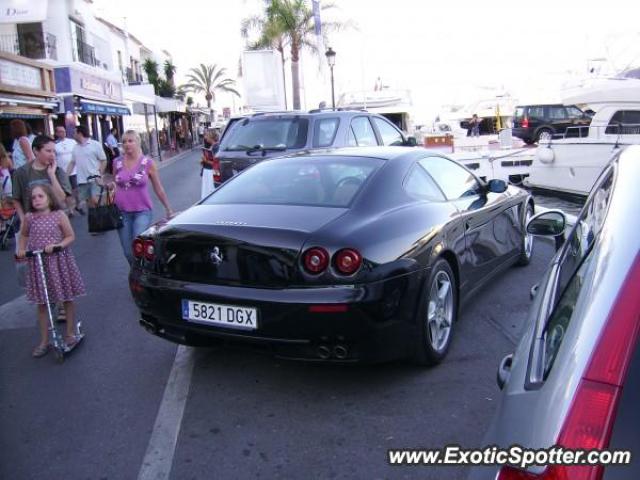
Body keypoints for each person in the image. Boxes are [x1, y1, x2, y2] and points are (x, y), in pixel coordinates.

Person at [16, 183, 85, 357]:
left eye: (40, 196)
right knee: (42, 302)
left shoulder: (59, 215)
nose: (36, 200)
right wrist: (21, 249)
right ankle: (44, 340)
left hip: (58, 261)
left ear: (49, 197)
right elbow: (24, 235)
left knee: (66, 296)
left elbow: (70, 236)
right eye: (33, 197)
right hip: (38, 263)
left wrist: (58, 245)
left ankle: (69, 333)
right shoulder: (29, 218)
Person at [110, 130, 173, 264]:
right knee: (128, 252)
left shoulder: (147, 163)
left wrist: (168, 208)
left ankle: (144, 273)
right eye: (124, 141)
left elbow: (158, 187)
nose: (127, 144)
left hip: (142, 211)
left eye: (130, 141)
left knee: (137, 246)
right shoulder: (116, 162)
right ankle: (138, 273)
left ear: (138, 142)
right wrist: (108, 188)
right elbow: (114, 183)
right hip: (121, 213)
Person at [66, 125, 106, 210]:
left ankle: (103, 217)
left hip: (94, 179)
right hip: (82, 180)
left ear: (79, 133)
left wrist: (99, 174)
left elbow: (103, 160)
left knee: (96, 200)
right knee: (90, 204)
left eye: (74, 133)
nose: (73, 135)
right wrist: (66, 175)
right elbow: (72, 163)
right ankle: (94, 221)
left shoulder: (95, 144)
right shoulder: (75, 147)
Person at [54, 126, 80, 216]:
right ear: (57, 133)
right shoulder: (54, 144)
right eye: (60, 132)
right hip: (62, 171)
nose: (63, 133)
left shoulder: (72, 142)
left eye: (64, 131)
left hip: (74, 170)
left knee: (76, 189)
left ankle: (78, 204)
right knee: (67, 191)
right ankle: (70, 210)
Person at [200, 130, 220, 199]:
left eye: (207, 135)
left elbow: (217, 163)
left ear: (211, 137)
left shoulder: (216, 147)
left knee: (210, 191)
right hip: (208, 172)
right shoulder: (212, 146)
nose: (205, 137)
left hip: (211, 172)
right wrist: (204, 161)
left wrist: (206, 161)